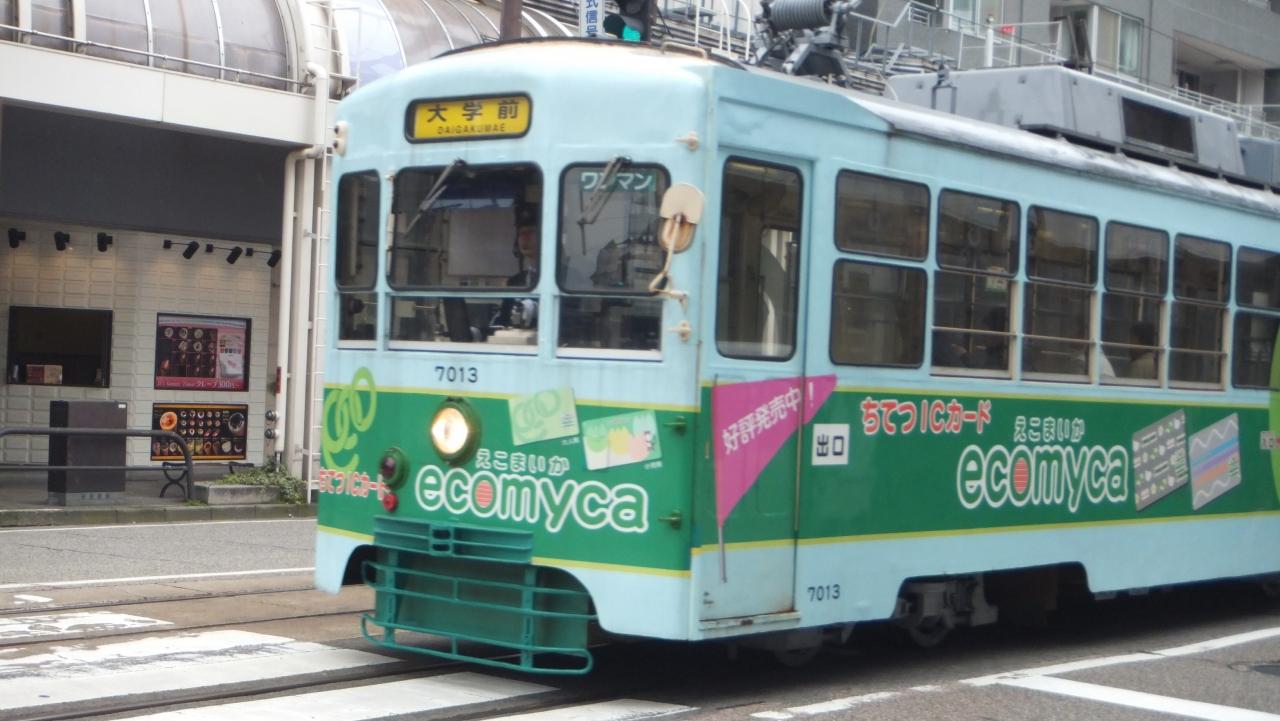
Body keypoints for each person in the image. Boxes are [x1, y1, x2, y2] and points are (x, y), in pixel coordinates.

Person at [492, 204, 539, 329]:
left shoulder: (568, 277)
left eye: (530, 232)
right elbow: (503, 320)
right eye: (521, 234)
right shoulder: (514, 281)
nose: (524, 238)